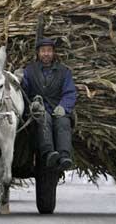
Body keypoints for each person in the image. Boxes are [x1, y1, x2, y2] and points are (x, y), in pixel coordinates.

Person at [21, 37, 77, 171]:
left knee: (63, 122)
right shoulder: (29, 71)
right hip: (38, 109)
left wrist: (63, 107)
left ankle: (64, 156)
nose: (46, 54)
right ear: (38, 53)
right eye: (43, 51)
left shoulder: (64, 72)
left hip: (56, 106)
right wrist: (32, 104)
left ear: (53, 53)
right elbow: (24, 92)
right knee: (44, 119)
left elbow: (70, 92)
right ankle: (49, 153)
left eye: (49, 51)